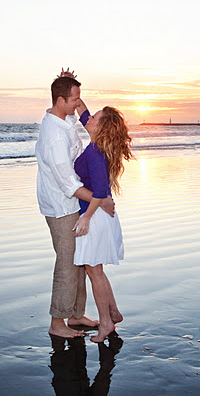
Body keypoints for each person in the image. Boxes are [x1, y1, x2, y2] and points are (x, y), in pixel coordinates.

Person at [36, 71, 114, 338]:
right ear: (60, 101)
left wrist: (68, 81)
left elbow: (83, 113)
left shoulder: (64, 119)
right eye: (74, 99)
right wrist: (100, 199)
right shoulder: (55, 136)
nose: (78, 104)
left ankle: (76, 314)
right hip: (62, 206)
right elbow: (68, 184)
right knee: (68, 264)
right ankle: (58, 322)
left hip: (74, 204)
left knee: (79, 261)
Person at [72, 106, 133, 342]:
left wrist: (85, 218)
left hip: (95, 215)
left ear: (101, 127)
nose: (88, 119)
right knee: (95, 269)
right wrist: (73, 92)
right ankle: (114, 312)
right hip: (100, 213)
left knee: (94, 270)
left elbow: (98, 191)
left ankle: (106, 323)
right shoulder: (98, 143)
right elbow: (83, 113)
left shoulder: (97, 151)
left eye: (94, 117)